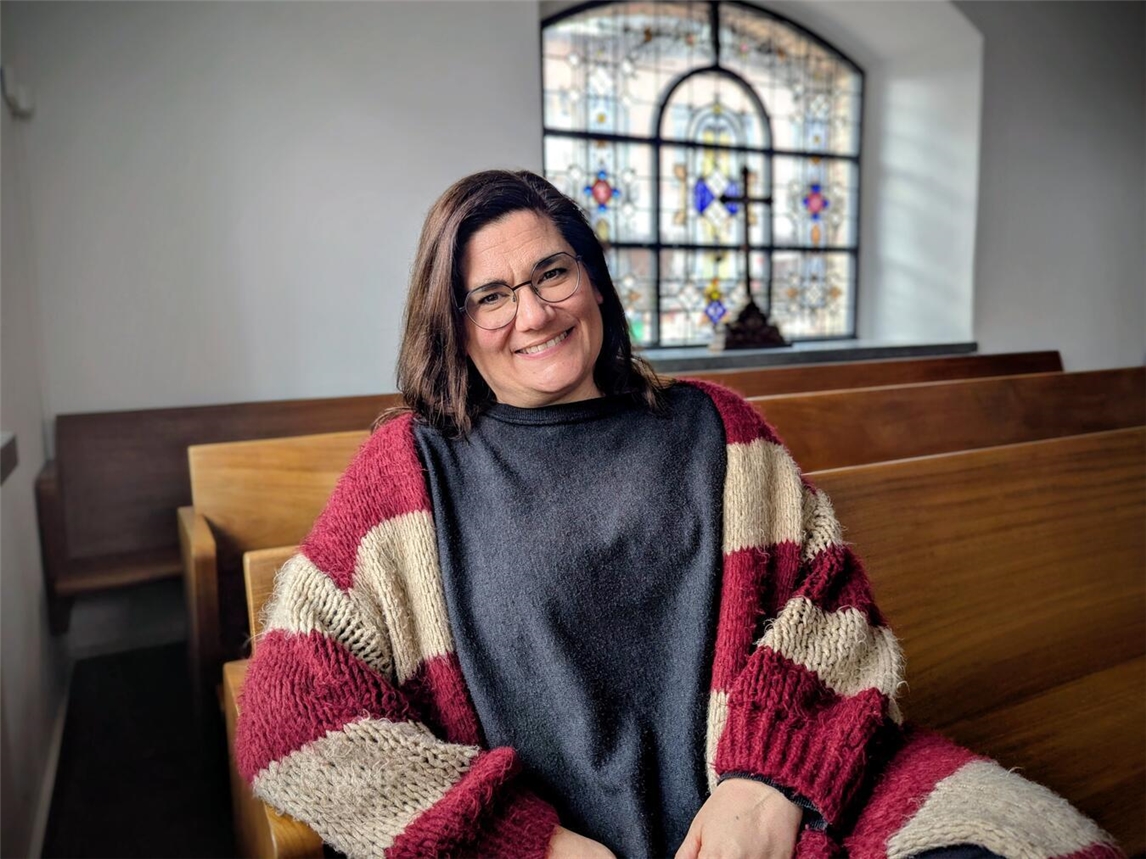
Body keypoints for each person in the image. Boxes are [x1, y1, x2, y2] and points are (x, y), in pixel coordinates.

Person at [234, 170, 1119, 859]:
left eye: (553, 272)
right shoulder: (410, 472)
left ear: (595, 281)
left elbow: (834, 610)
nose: (534, 312)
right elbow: (290, 707)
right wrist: (523, 840)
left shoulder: (717, 429)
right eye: (492, 295)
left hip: (770, 815)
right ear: (453, 323)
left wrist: (766, 783)